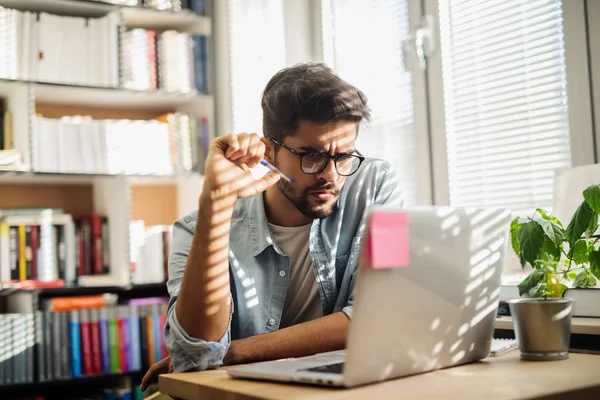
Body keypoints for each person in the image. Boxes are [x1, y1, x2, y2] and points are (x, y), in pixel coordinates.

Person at [140, 62, 403, 390]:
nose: (330, 175)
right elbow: (197, 354)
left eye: (344, 156)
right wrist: (215, 206)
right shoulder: (194, 230)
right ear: (270, 151)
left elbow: (379, 317)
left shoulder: (376, 183)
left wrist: (235, 352)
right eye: (312, 156)